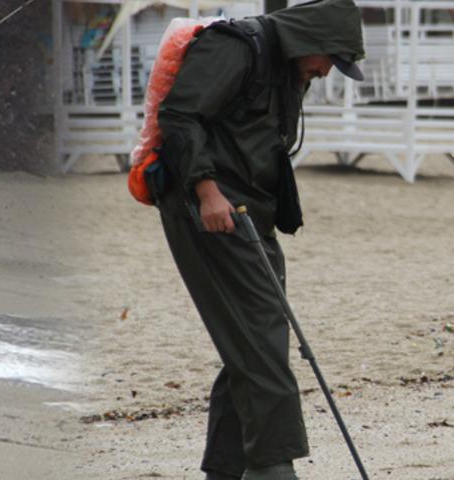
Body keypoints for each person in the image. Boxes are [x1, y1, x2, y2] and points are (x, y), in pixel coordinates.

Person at [152, 0, 365, 479]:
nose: (327, 71)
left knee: (255, 339)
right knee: (260, 338)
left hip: (252, 215)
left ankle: (228, 470)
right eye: (330, 60)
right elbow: (179, 116)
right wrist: (207, 191)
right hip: (210, 212)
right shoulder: (237, 47)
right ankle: (272, 468)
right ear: (311, 40)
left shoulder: (287, 65)